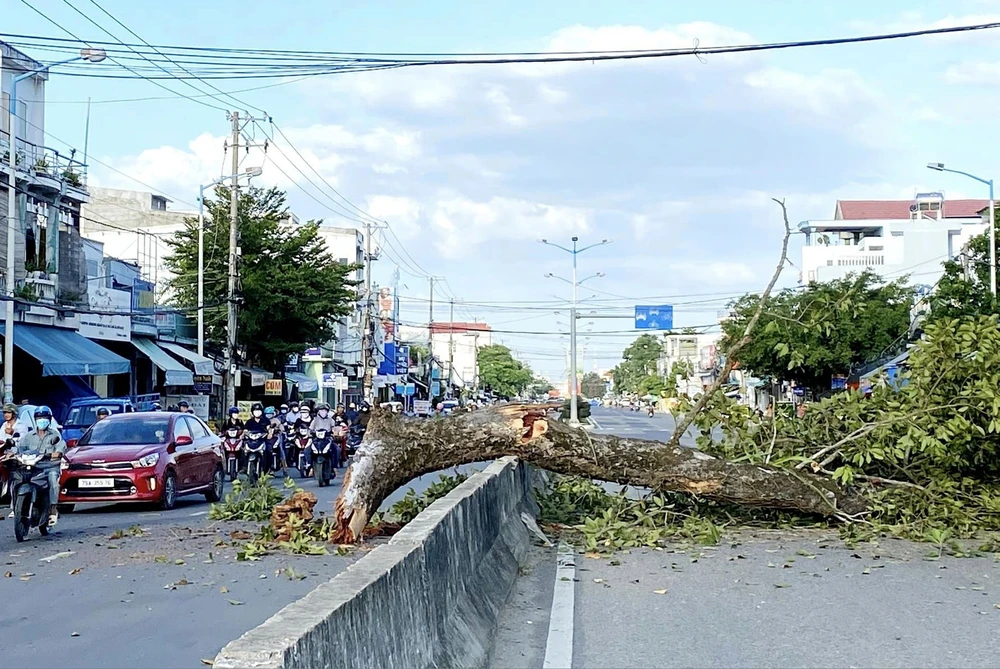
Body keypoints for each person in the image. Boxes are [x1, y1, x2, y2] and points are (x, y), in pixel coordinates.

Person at [11, 406, 65, 526]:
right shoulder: (29, 436)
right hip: (33, 467)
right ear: (35, 420)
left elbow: (61, 447)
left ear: (49, 420)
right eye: (39, 418)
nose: (42, 420)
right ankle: (14, 507)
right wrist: (14, 454)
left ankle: (53, 510)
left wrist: (56, 453)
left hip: (49, 466)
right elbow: (20, 448)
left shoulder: (54, 434)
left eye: (44, 418)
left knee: (53, 480)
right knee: (15, 477)